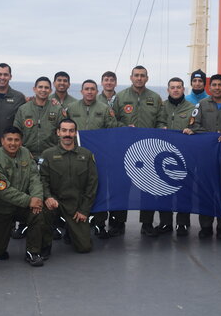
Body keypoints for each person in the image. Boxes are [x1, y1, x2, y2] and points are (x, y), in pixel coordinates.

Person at [110, 65, 167, 237]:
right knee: (122, 188)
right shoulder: (120, 97)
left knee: (148, 188)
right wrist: (124, 128)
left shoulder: (155, 98)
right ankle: (118, 223)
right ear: (131, 77)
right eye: (136, 75)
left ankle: (147, 223)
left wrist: (160, 130)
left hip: (148, 151)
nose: (139, 78)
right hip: (125, 150)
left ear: (147, 78)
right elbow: (113, 121)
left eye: (142, 76)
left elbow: (161, 120)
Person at [186, 73, 221, 238]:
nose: (217, 88)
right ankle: (206, 226)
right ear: (209, 88)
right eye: (214, 85)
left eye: (220, 85)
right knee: (206, 190)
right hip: (206, 156)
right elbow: (194, 125)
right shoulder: (201, 105)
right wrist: (211, 137)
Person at [0, 127, 48, 267]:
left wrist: (37, 199)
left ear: (21, 141)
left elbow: (34, 178)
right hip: (1, 208)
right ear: (2, 141)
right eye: (9, 139)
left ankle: (33, 252)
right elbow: (3, 190)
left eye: (16, 140)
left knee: (38, 213)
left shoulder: (25, 153)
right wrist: (29, 200)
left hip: (23, 206)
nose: (13, 143)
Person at [67, 79, 118, 239]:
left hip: (98, 158)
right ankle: (72, 226)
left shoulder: (104, 109)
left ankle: (99, 224)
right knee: (76, 190)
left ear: (97, 92)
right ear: (81, 91)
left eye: (92, 89)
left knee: (99, 190)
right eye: (86, 89)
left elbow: (112, 131)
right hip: (75, 156)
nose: (89, 91)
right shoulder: (72, 108)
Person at [39, 119, 98, 254]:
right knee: (41, 212)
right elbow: (42, 179)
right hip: (54, 202)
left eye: (71, 131)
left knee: (84, 247)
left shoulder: (86, 155)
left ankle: (71, 231)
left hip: (75, 205)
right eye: (64, 130)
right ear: (58, 132)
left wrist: (84, 209)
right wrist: (47, 197)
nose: (68, 134)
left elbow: (92, 184)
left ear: (75, 133)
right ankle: (45, 245)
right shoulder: (48, 154)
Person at [158, 77, 195, 236]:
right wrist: (161, 127)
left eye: (178, 87)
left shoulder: (192, 107)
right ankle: (165, 223)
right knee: (163, 189)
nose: (175, 90)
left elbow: (196, 126)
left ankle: (182, 224)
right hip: (163, 155)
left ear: (183, 89)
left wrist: (190, 130)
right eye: (172, 87)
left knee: (183, 190)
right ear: (168, 90)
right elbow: (157, 122)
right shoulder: (162, 106)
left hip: (184, 155)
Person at [13, 76, 65, 160]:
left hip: (51, 155)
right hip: (27, 155)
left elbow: (63, 133)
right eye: (40, 87)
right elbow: (16, 132)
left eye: (46, 87)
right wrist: (22, 151)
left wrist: (57, 151)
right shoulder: (23, 109)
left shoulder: (57, 109)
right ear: (34, 89)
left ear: (50, 91)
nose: (43, 90)